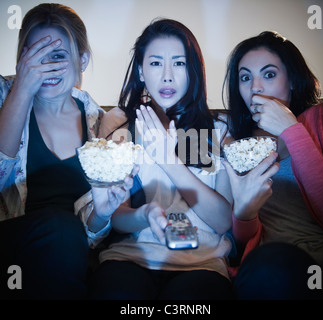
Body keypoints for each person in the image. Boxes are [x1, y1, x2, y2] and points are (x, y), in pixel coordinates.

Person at [88, 18, 256, 300]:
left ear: (192, 71)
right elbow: (117, 217)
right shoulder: (123, 134)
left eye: (178, 63)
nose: (167, 76)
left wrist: (168, 159)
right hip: (130, 260)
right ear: (141, 71)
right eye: (155, 63)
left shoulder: (218, 131)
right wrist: (145, 214)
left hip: (201, 265)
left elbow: (222, 221)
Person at [0, 3, 133, 299]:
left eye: (57, 56)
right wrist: (21, 89)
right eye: (35, 56)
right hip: (12, 250)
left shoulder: (101, 124)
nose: (45, 69)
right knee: (62, 230)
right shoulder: (3, 96)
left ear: (81, 60)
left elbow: (92, 233)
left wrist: (102, 213)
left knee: (68, 235)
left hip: (68, 255)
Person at [222, 31, 323, 299]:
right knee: (273, 271)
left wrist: (291, 129)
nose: (255, 88)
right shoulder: (233, 144)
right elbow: (236, 245)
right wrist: (245, 213)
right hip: (268, 267)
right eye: (245, 78)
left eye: (269, 75)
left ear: (292, 81)